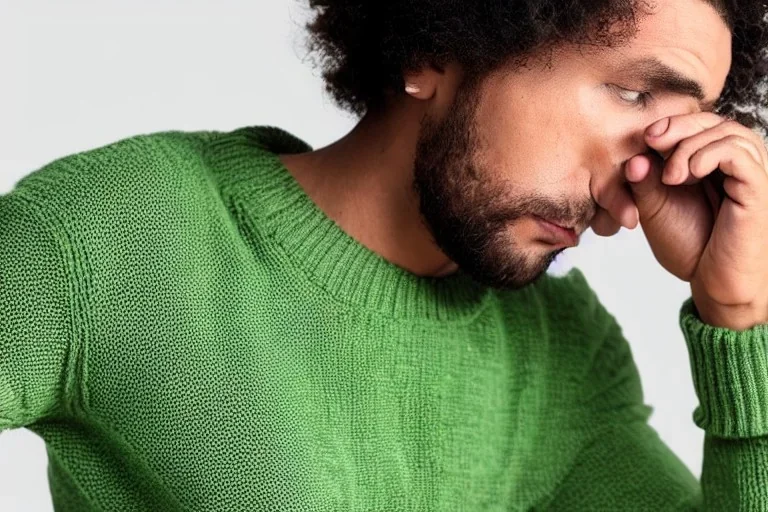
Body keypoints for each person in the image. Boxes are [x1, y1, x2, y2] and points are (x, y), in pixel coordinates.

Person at [2, 0, 767, 509]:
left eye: (682, 133)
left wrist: (740, 319)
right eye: (635, 98)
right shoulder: (114, 230)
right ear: (440, 46)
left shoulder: (563, 352)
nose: (643, 180)